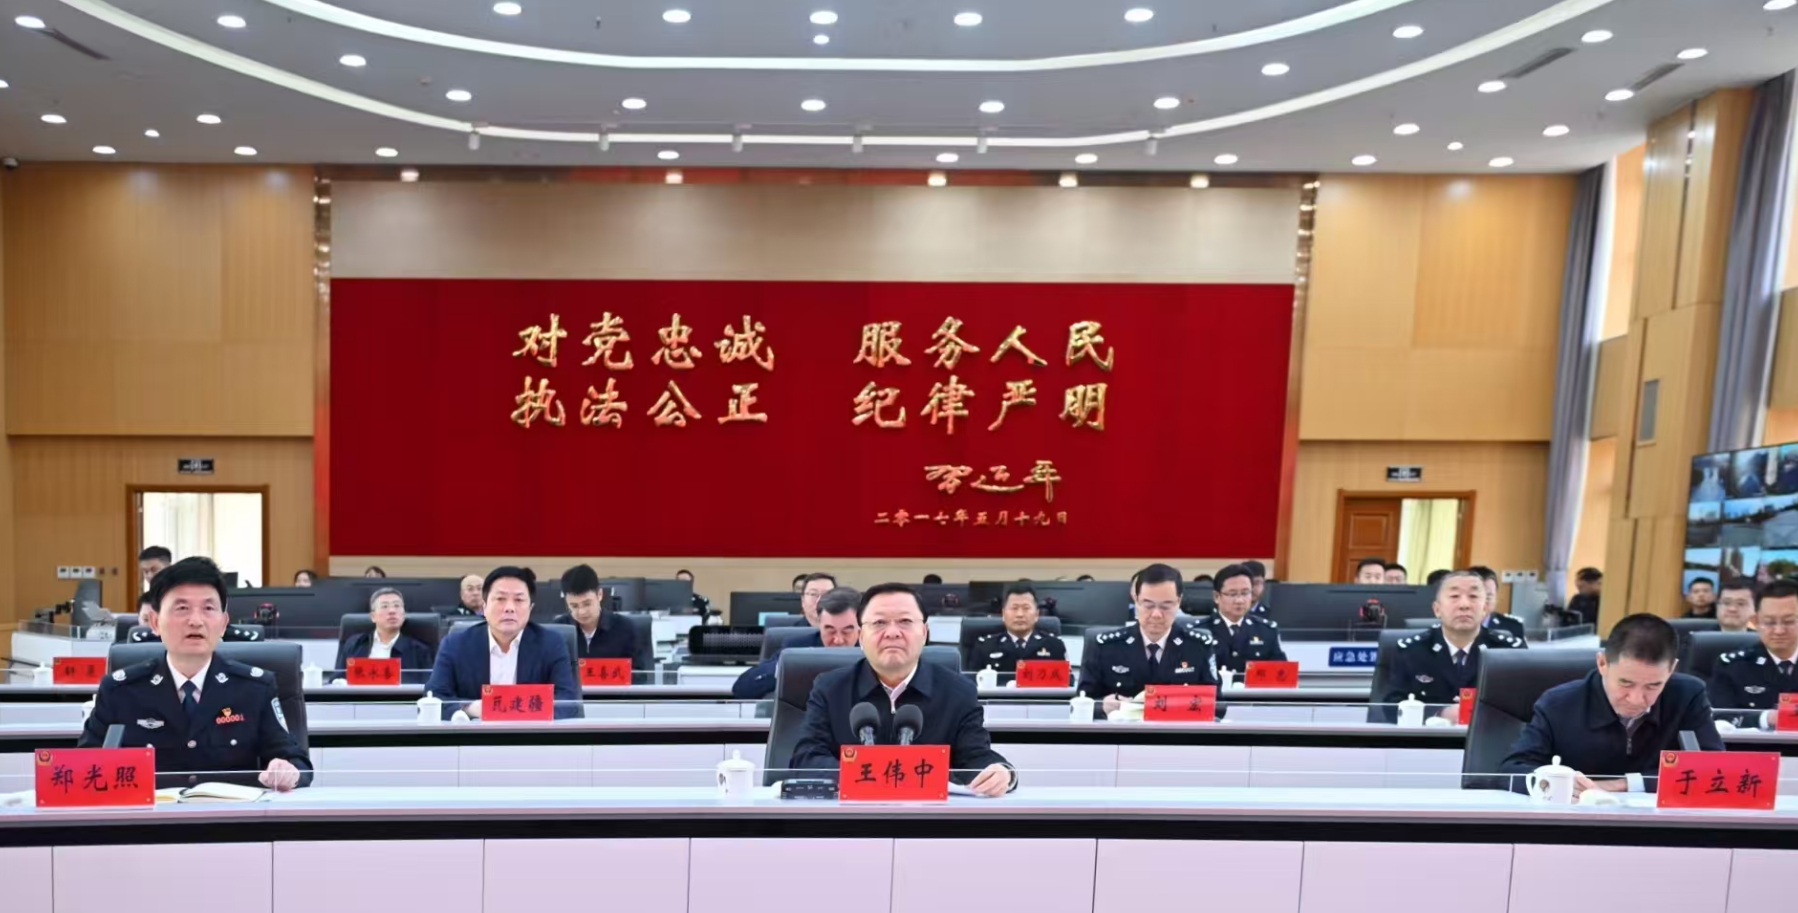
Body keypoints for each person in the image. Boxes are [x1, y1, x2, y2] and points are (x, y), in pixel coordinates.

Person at [80, 557, 310, 790]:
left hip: (230, 813)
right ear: (155, 622)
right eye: (182, 608)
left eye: (208, 608)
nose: (196, 621)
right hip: (149, 812)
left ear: (223, 624)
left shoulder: (255, 689)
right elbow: (84, 769)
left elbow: (297, 762)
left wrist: (287, 770)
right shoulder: (120, 691)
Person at [789, 583, 1014, 795]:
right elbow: (806, 758)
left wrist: (1002, 773)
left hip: (928, 818)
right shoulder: (830, 689)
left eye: (905, 621)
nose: (892, 633)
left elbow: (975, 757)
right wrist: (865, 779)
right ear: (861, 636)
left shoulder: (958, 692)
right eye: (879, 623)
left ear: (924, 632)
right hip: (850, 815)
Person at [1499, 613, 1723, 795]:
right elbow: (1512, 770)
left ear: (1672, 669)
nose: (1636, 699)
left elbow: (1714, 769)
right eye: (1626, 683)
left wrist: (1623, 784)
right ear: (1602, 663)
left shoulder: (1688, 695)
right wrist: (1556, 783)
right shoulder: (1558, 703)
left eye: (1653, 685)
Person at [424, 566, 581, 719]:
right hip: (474, 733)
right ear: (485, 607)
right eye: (500, 599)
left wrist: (516, 712)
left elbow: (567, 702)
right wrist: (470, 708)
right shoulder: (455, 644)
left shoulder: (552, 644)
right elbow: (435, 696)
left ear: (530, 608)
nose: (509, 608)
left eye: (518, 600)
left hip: (532, 734)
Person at [1378, 570, 1524, 721]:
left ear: (1485, 609)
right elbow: (1391, 707)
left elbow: (1524, 707)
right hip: (1429, 735)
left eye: (1473, 596)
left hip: (1490, 733)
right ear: (1437, 609)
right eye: (1454, 596)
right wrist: (1440, 714)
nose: (1464, 605)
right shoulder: (1411, 651)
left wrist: (1483, 713)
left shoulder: (1510, 651)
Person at [1079, 563, 1219, 715]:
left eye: (1166, 606)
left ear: (1179, 602)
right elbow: (1080, 701)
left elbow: (1218, 706)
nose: (1156, 614)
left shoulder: (1198, 646)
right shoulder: (1106, 646)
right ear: (1136, 600)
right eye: (1148, 605)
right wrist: (1102, 706)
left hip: (1178, 729)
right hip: (1122, 728)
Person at [731, 586, 860, 699]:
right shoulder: (799, 647)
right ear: (819, 625)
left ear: (861, 626)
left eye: (847, 631)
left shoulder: (870, 650)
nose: (838, 640)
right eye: (830, 630)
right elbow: (741, 689)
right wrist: (785, 667)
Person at [1707, 579, 1797, 726]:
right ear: (1755, 621)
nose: (1779, 630)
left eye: (1789, 621)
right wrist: (1766, 719)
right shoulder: (1733, 666)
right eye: (1769, 622)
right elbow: (1720, 717)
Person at [1191, 563, 1284, 674]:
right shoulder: (1196, 631)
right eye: (1232, 594)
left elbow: (1281, 674)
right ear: (1216, 597)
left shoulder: (1267, 630)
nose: (1239, 600)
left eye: (1245, 593)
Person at [332, 586, 435, 684]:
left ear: (403, 615)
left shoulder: (419, 651)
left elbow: (429, 687)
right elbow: (336, 681)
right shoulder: (355, 644)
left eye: (397, 606)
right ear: (373, 616)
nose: (392, 611)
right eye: (384, 606)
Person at [550, 564, 638, 664]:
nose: (582, 612)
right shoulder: (557, 631)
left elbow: (638, 672)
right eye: (574, 606)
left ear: (599, 594)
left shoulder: (624, 628)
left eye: (587, 604)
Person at [971, 582, 1066, 674]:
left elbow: (1068, 681)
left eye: (1026, 608)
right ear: (1003, 614)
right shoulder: (985, 646)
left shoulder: (1054, 645)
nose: (1020, 614)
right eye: (1014, 608)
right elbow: (970, 681)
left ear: (1036, 614)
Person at [1470, 565, 1524, 640]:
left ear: (1496, 597)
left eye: (1488, 596)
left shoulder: (1513, 627)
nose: (1482, 603)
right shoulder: (1453, 625)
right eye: (1474, 596)